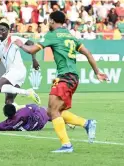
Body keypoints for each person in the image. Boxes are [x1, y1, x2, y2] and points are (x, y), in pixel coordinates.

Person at [14, 11, 108, 153]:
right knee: (55, 111)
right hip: (72, 77)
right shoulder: (70, 36)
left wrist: (20, 44)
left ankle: (67, 145)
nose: (47, 23)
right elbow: (88, 53)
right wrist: (97, 72)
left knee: (53, 111)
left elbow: (32, 49)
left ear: (52, 21)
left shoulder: (53, 35)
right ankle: (86, 123)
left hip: (65, 77)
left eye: (48, 20)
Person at [0, 18, 41, 106]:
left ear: (8, 31)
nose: (0, 32)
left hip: (16, 70)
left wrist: (34, 59)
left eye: (3, 30)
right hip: (15, 73)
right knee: (9, 103)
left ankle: (28, 92)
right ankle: (28, 110)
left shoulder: (13, 38)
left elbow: (31, 43)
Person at [0, 104, 96, 141]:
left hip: (34, 128)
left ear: (6, 115)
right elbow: (33, 106)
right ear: (15, 110)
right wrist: (20, 105)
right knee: (49, 110)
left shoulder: (6, 124)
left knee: (46, 112)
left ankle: (66, 122)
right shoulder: (24, 111)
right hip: (42, 119)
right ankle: (70, 122)